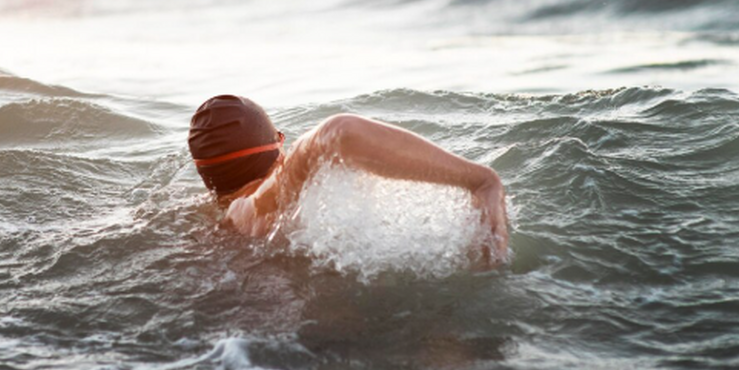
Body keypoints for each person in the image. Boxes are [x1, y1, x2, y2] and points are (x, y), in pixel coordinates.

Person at [188, 95, 509, 269]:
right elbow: (341, 132)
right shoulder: (252, 208)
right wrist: (481, 181)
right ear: (276, 149)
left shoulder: (215, 220)